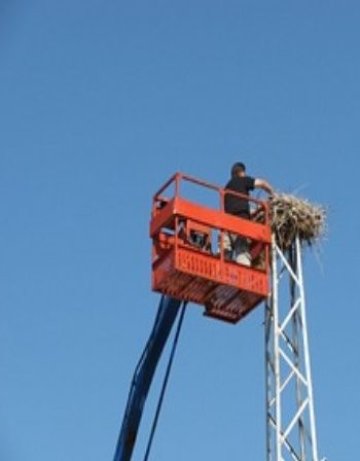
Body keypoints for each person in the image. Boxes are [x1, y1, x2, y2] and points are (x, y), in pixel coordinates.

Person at [223, 162, 274, 266]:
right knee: (242, 252)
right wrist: (273, 194)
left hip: (226, 226)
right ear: (242, 173)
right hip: (241, 224)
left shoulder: (226, 189)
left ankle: (222, 269)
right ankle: (244, 276)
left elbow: (232, 206)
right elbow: (262, 183)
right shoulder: (243, 180)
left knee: (225, 254)